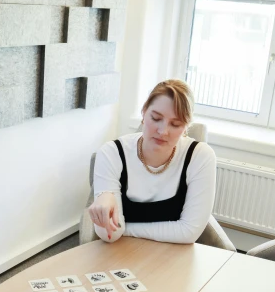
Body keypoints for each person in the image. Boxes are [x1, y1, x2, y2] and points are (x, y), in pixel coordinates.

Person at [88, 79, 217, 244]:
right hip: (122, 252)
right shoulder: (111, 153)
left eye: (175, 124)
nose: (163, 131)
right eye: (156, 118)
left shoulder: (200, 156)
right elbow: (110, 235)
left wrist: (125, 229)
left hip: (175, 256)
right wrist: (103, 197)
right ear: (144, 112)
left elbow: (189, 232)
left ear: (185, 127)